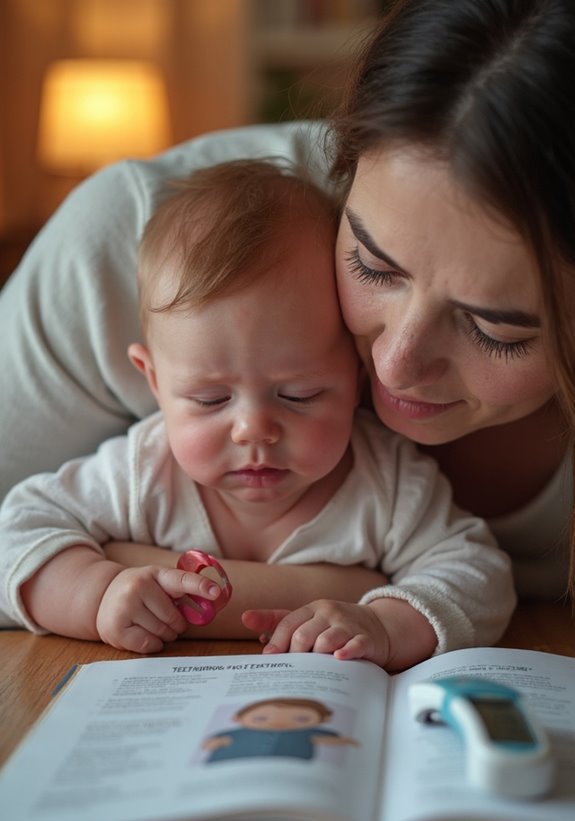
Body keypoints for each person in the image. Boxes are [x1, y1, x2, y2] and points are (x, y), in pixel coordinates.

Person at [0, 0, 571, 626]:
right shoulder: (132, 247)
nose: (393, 367)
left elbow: (468, 572)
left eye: (495, 329)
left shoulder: (390, 488)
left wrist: (370, 608)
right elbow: (16, 536)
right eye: (373, 268)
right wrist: (343, 588)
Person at [0, 159, 513, 668]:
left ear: (357, 377)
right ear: (154, 380)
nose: (254, 430)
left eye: (299, 395)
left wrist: (385, 623)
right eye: (210, 400)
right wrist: (95, 592)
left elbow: (479, 574)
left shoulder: (387, 482)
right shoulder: (140, 473)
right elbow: (16, 532)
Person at [201, 697, 358, 764]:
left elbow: (327, 738)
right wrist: (216, 742)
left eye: (302, 719)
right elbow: (213, 742)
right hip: (233, 764)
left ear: (323, 720)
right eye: (260, 719)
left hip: (291, 767)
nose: (279, 723)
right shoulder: (237, 734)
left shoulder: (306, 733)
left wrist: (343, 741)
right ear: (237, 718)